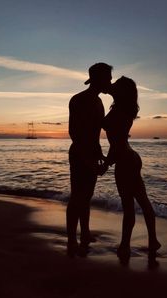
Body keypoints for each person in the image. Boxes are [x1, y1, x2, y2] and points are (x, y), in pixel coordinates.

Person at [101, 76, 161, 260]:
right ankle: (152, 241)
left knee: (130, 205)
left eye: (117, 85)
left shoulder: (120, 112)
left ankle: (125, 245)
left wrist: (105, 164)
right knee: (142, 201)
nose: (113, 87)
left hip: (125, 160)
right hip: (129, 158)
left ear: (122, 91)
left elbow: (116, 143)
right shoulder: (122, 109)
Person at [66, 62, 113, 256]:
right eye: (108, 78)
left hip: (93, 152)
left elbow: (96, 133)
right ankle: (71, 239)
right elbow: (75, 133)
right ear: (99, 79)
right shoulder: (78, 100)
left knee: (86, 196)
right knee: (77, 196)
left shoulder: (98, 101)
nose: (110, 81)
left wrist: (100, 155)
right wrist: (87, 158)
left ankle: (84, 233)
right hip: (79, 153)